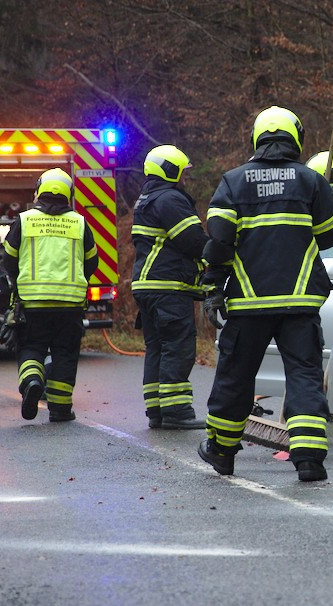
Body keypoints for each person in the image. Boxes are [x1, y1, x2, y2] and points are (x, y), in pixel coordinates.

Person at [198, 105, 333, 482]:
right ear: (295, 137)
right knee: (304, 376)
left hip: (249, 302)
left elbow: (218, 242)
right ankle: (310, 457)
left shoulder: (232, 182)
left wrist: (213, 289)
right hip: (299, 304)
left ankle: (222, 452)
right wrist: (320, 196)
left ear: (257, 138)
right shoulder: (311, 182)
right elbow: (331, 235)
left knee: (235, 377)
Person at [2, 167, 98, 423]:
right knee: (65, 353)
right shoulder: (79, 222)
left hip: (33, 303)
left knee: (31, 347)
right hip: (70, 306)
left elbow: (8, 260)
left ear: (39, 191)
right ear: (68, 194)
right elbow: (92, 262)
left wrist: (19, 282)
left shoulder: (24, 220)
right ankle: (60, 409)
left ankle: (33, 381)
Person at [131, 144, 209, 430]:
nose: (184, 178)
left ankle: (157, 410)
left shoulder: (147, 199)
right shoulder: (170, 199)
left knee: (157, 347)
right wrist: (219, 253)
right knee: (177, 345)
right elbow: (192, 239)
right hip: (167, 286)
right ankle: (177, 411)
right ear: (171, 170)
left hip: (147, 285)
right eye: (182, 172)